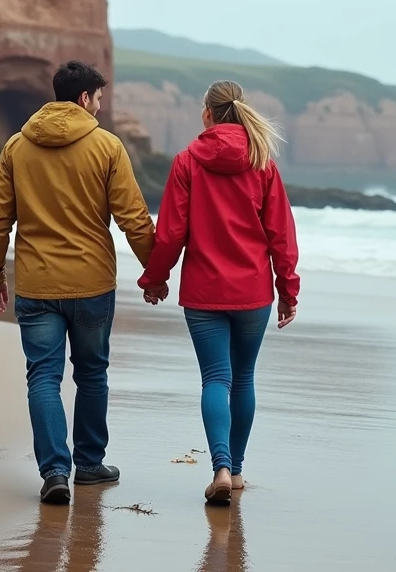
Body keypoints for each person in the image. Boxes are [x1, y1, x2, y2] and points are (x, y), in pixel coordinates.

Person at [0, 60, 156, 505]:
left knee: (43, 377)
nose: (99, 108)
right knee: (92, 373)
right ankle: (90, 465)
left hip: (37, 285)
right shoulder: (107, 147)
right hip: (92, 283)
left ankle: (54, 471)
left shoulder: (17, 146)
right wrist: (155, 272)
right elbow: (133, 218)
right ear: (83, 98)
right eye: (98, 99)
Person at [138, 80, 300, 504]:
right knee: (242, 378)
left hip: (204, 293)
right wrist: (288, 289)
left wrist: (155, 278)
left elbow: (171, 233)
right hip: (253, 293)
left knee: (215, 378)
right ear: (241, 111)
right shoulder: (262, 161)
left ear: (208, 114)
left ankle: (221, 468)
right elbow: (281, 234)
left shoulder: (188, 161)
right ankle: (239, 471)